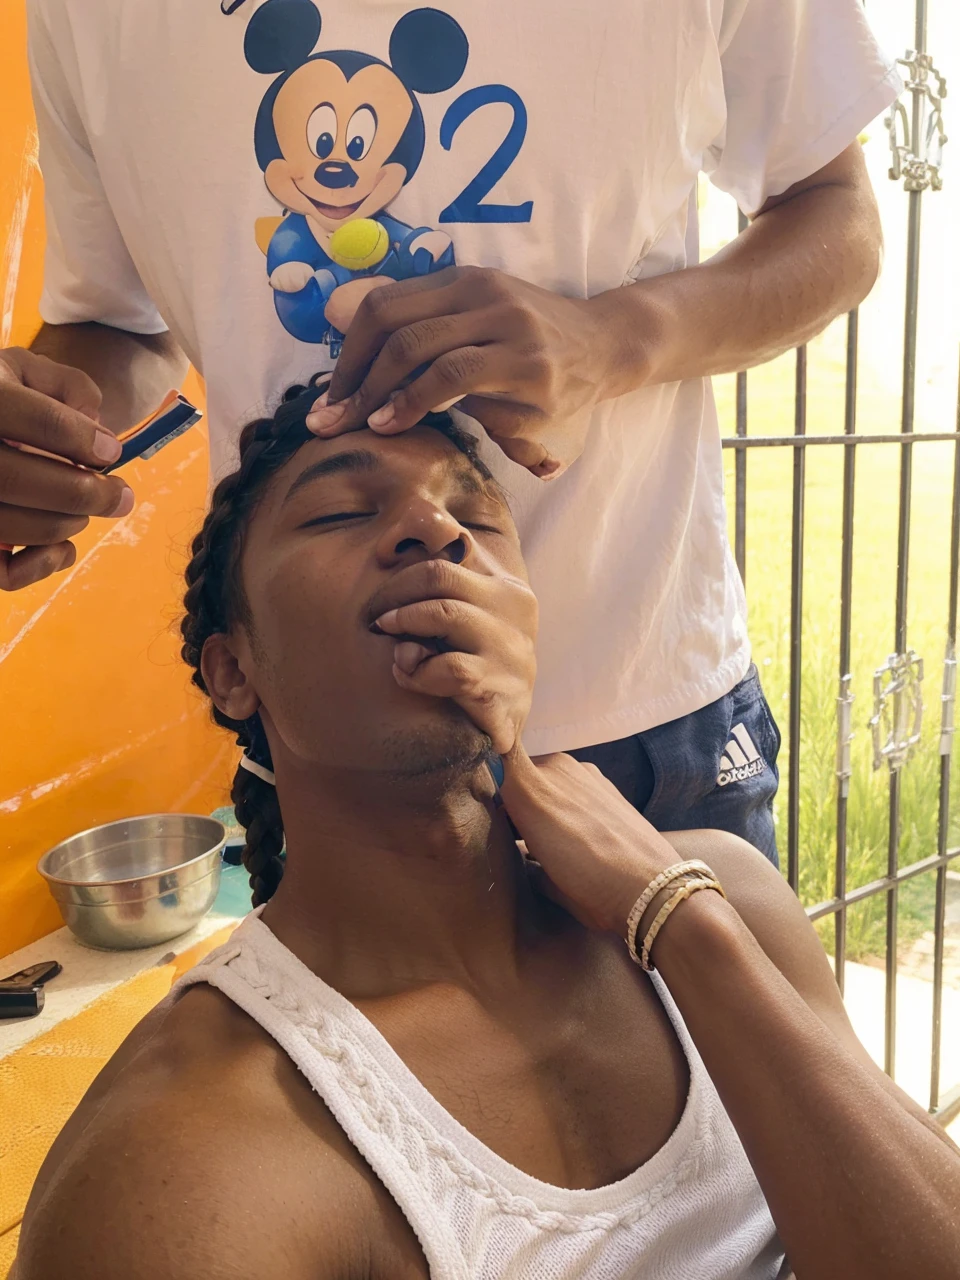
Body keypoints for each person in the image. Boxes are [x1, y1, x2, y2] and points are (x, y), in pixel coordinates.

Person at [14, 386, 960, 1280]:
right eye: (341, 512)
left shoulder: (723, 897)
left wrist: (684, 926)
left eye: (477, 513)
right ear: (232, 674)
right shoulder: (187, 1155)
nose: (437, 529)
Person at [0, 0, 901, 852]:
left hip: (644, 724)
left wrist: (614, 339)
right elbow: (116, 324)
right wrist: (43, 430)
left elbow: (836, 216)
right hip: (325, 758)